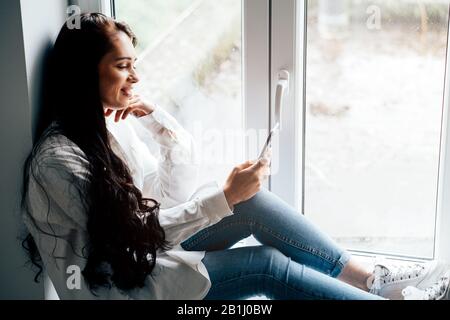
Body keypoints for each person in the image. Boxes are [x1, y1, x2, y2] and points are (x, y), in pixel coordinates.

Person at [20, 12, 443, 300]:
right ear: (84, 74)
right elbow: (130, 239)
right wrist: (221, 198)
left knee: (249, 202)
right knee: (265, 265)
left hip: (145, 251)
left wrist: (156, 119)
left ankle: (372, 282)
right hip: (125, 285)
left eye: (134, 63)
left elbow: (169, 195)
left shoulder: (108, 128)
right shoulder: (61, 161)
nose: (136, 76)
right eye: (123, 65)